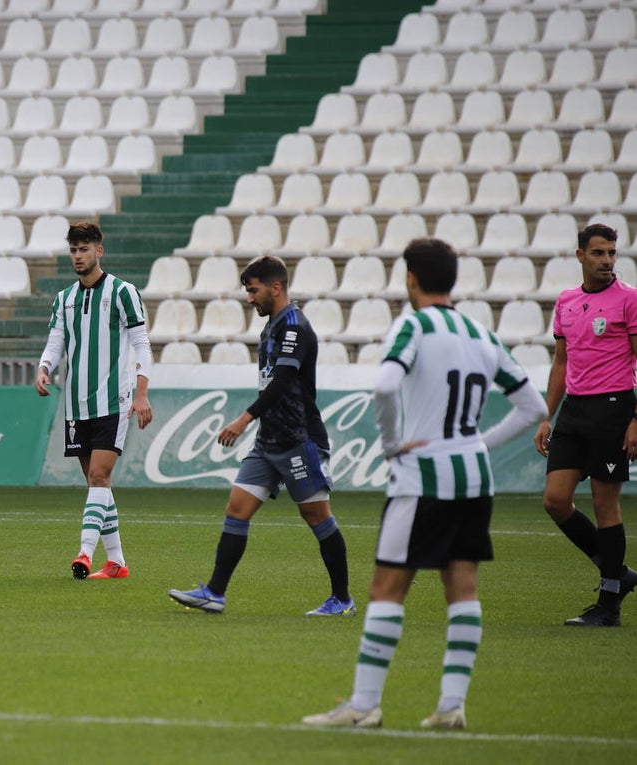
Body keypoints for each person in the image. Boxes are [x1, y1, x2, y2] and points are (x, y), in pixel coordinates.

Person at [303, 237, 547, 730]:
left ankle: (364, 704)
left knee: (387, 588)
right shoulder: (480, 332)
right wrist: (479, 443)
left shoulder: (414, 325)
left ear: (410, 277)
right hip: (475, 481)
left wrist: (393, 443)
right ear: (453, 279)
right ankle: (451, 704)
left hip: (422, 479)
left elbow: (387, 385)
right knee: (463, 589)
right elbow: (535, 409)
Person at [168, 255, 355, 617]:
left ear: (276, 287)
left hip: (299, 440)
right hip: (269, 441)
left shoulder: (294, 327)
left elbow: (284, 383)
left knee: (317, 517)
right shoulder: (271, 326)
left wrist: (243, 419)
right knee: (236, 510)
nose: (249, 299)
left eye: (253, 291)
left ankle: (342, 599)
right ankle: (214, 593)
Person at [35, 221, 153, 580]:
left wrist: (142, 392)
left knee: (100, 476)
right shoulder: (64, 299)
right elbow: (56, 341)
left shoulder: (122, 292)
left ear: (99, 251)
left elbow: (141, 344)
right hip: (77, 403)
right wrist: (43, 368)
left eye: (84, 249)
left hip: (114, 401)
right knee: (96, 483)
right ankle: (116, 562)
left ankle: (85, 554)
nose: (77, 256)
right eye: (73, 250)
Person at [532, 223, 637, 627]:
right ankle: (619, 574)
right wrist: (547, 414)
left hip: (613, 408)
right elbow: (561, 362)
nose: (607, 261)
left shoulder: (628, 300)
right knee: (555, 501)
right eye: (598, 253)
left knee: (605, 504)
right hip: (574, 411)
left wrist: (635, 419)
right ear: (580, 256)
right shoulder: (567, 302)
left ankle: (608, 604)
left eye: (612, 253)